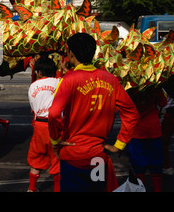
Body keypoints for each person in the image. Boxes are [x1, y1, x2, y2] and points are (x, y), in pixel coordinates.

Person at [48, 33, 139, 192]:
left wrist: (55, 140)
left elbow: (54, 113)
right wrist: (119, 144)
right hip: (98, 155)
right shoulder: (110, 79)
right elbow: (132, 113)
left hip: (73, 155)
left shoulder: (69, 79)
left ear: (71, 54)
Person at [27, 57, 61, 192]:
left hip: (39, 124)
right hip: (55, 125)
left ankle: (31, 188)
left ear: (39, 72)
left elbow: (33, 106)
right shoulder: (59, 82)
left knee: (36, 157)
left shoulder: (33, 85)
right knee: (58, 158)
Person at [127, 86, 167, 192]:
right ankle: (157, 189)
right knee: (156, 163)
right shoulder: (155, 86)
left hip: (136, 130)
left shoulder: (130, 86)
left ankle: (141, 188)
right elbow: (163, 102)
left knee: (138, 165)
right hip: (153, 129)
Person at [161, 76, 174, 175]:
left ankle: (166, 166)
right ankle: (166, 166)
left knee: (163, 141)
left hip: (168, 114)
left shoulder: (165, 81)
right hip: (168, 113)